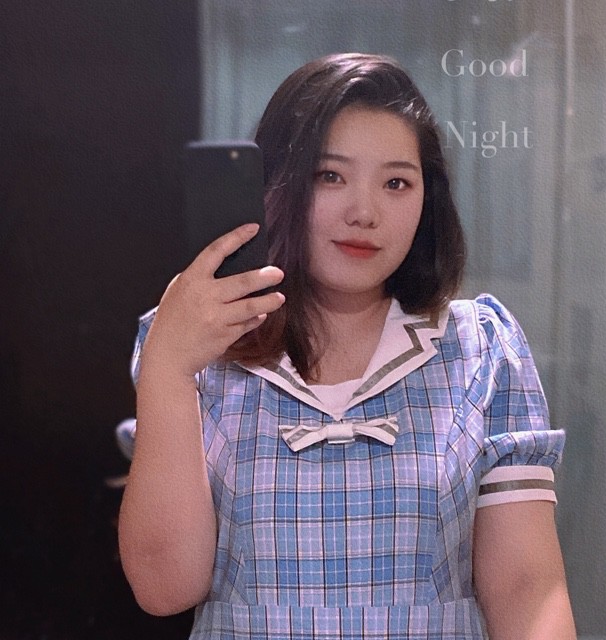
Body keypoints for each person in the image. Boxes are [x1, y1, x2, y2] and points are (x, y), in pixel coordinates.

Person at [118, 53, 576, 639]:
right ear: (275, 185)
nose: (364, 212)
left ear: (427, 201)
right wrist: (169, 366)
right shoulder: (196, 345)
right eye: (329, 176)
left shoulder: (481, 347)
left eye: (396, 183)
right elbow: (164, 588)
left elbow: (527, 588)